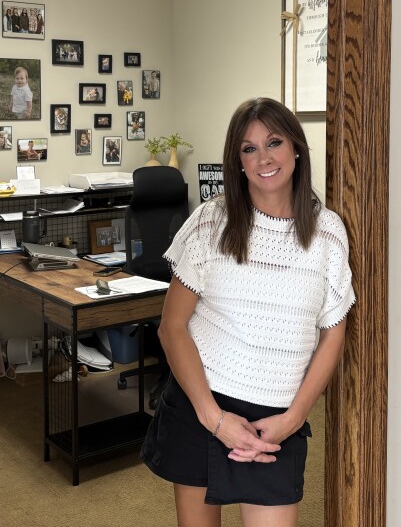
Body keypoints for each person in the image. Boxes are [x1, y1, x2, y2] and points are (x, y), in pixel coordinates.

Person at [140, 97, 355, 526]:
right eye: (248, 148)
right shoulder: (210, 222)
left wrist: (295, 419)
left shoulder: (328, 232)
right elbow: (172, 328)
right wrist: (214, 418)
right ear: (236, 160)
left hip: (277, 422)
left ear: (296, 148)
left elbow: (334, 332)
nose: (264, 158)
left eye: (274, 142)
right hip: (203, 407)